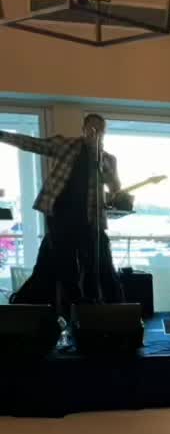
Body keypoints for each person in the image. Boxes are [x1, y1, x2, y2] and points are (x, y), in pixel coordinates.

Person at [0, 113, 122, 315]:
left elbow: (115, 186)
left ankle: (94, 307)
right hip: (60, 215)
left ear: (104, 133)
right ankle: (73, 306)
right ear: (83, 129)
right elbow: (33, 144)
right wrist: (3, 135)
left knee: (94, 264)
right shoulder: (66, 145)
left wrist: (98, 157)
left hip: (89, 219)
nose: (94, 132)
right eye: (90, 127)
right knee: (66, 264)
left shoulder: (107, 159)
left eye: (99, 129)